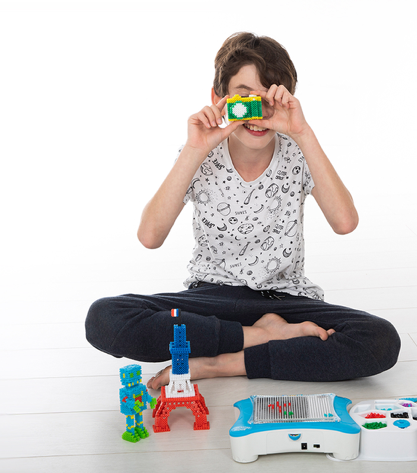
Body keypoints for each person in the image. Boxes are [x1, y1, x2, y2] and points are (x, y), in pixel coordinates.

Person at [86, 32, 400, 390]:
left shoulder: (298, 151)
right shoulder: (199, 154)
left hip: (285, 300)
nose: (258, 113)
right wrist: (194, 150)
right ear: (217, 99)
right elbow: (149, 236)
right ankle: (258, 338)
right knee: (104, 317)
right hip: (211, 299)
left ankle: (224, 362)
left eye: (269, 99)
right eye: (245, 98)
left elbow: (345, 222)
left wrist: (303, 132)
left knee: (379, 339)